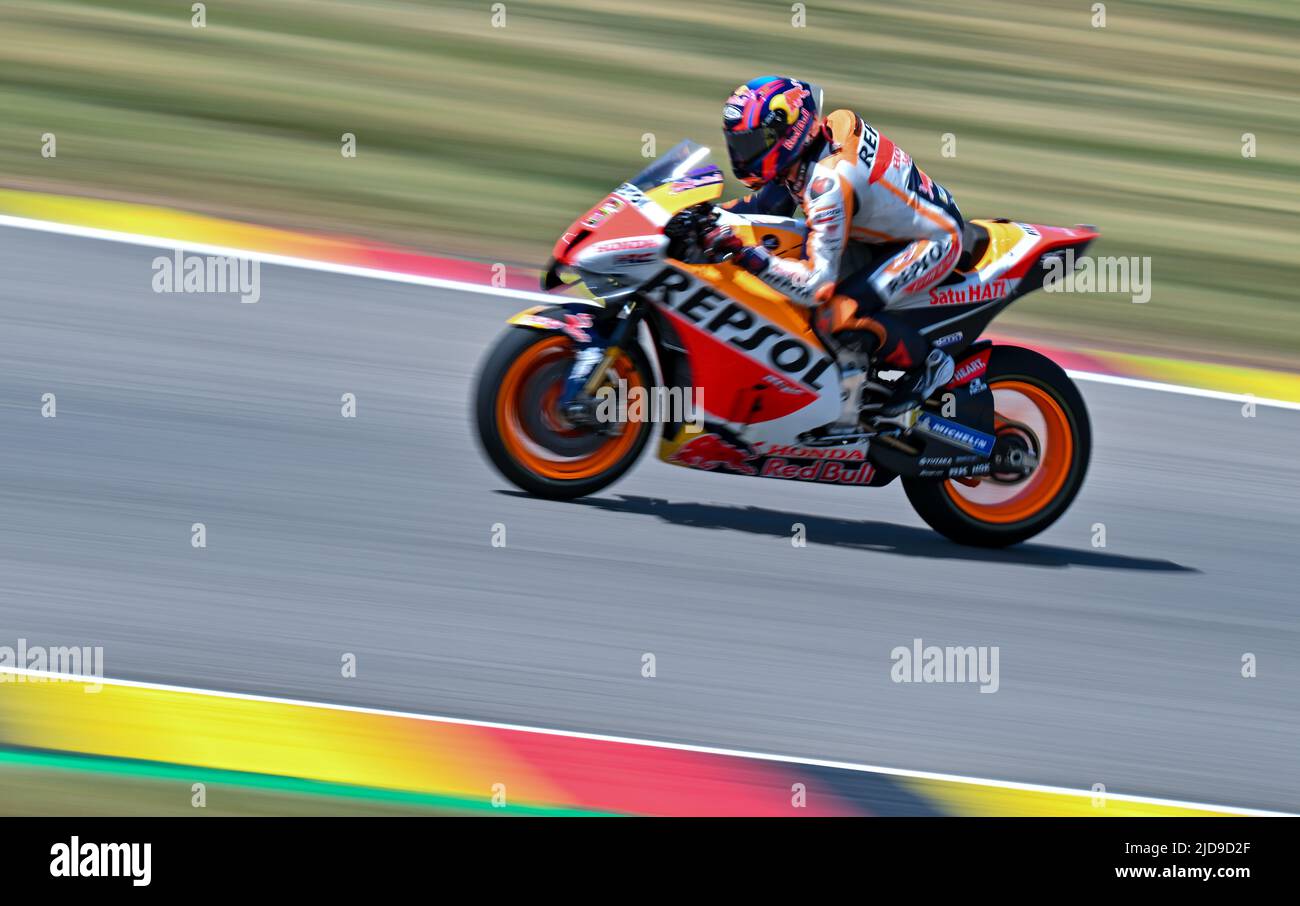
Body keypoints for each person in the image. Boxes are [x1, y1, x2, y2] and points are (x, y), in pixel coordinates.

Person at [704, 75, 964, 429]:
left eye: (752, 141)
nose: (742, 153)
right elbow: (766, 205)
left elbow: (816, 285)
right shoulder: (811, 149)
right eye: (738, 142)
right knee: (773, 241)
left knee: (836, 314)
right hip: (878, 232)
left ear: (789, 132)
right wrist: (702, 216)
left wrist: (747, 255)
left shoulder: (827, 181)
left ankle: (930, 364)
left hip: (932, 240)